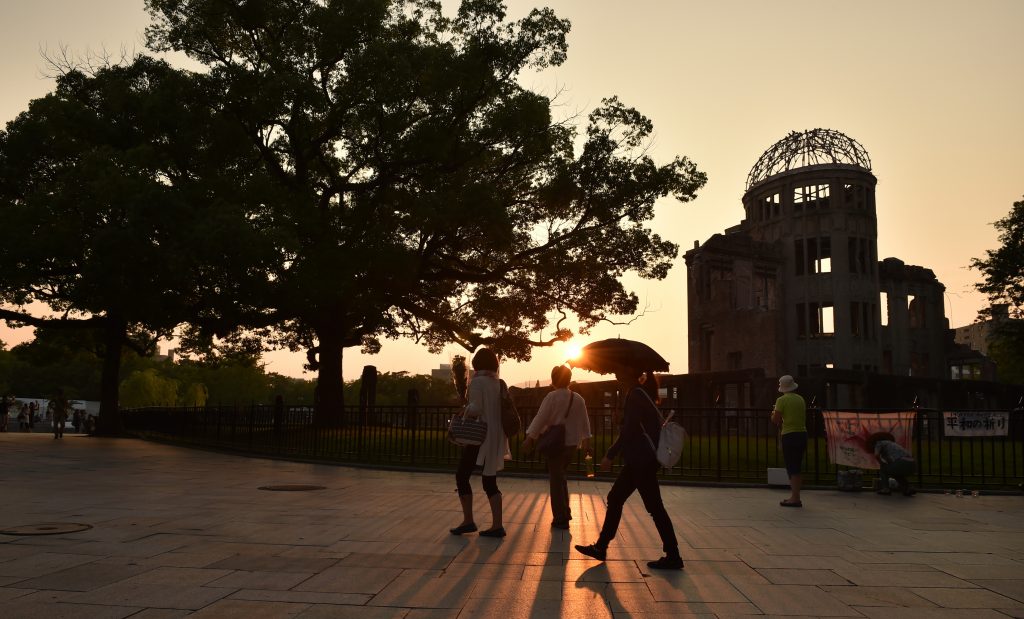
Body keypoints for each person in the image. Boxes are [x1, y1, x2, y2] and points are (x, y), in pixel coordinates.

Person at [575, 367, 683, 570]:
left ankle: (673, 555)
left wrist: (610, 454)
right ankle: (601, 546)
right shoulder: (639, 393)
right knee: (617, 498)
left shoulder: (635, 394)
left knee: (653, 507)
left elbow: (631, 429)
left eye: (618, 373)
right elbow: (634, 425)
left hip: (641, 461)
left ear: (624, 375)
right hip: (640, 460)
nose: (615, 375)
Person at [450, 347, 511, 538]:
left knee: (462, 476)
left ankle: (468, 520)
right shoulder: (499, 382)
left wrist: (464, 410)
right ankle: (497, 524)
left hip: (480, 436)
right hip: (496, 435)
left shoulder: (477, 381)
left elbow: (476, 408)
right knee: (489, 480)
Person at [522, 366, 592, 530]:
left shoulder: (552, 397)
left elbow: (541, 418)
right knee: (561, 477)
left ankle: (560, 517)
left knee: (556, 480)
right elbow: (585, 424)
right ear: (569, 379)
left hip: (556, 444)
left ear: (553, 380)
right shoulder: (578, 398)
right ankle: (565, 512)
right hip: (572, 444)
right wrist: (587, 444)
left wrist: (530, 438)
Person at [772, 374, 807, 507]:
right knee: (797, 465)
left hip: (789, 435)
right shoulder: (800, 399)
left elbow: (776, 420)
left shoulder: (781, 400)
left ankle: (795, 497)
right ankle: (795, 495)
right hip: (802, 433)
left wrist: (772, 413)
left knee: (792, 466)